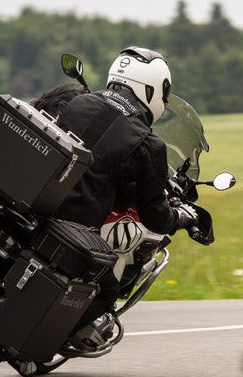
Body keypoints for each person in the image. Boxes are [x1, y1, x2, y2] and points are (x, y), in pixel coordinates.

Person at [52, 46, 199, 339]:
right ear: (154, 90)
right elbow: (155, 216)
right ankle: (39, 349)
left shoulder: (76, 103)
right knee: (106, 297)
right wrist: (182, 217)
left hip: (33, 203)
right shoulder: (148, 144)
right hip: (73, 227)